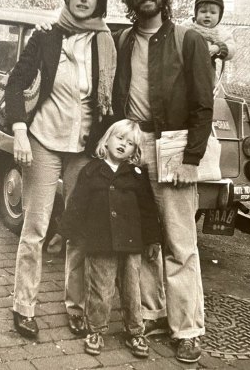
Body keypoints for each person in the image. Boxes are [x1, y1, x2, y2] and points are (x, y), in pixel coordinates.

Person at [5, 0, 117, 339]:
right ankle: (23, 307)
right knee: (35, 227)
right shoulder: (46, 38)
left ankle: (76, 308)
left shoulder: (105, 42)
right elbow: (16, 83)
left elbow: (111, 100)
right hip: (43, 140)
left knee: (79, 231)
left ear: (99, 0)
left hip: (83, 150)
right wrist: (20, 130)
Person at [112, 0, 215, 363]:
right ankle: (155, 314)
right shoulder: (123, 41)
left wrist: (192, 159)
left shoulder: (188, 41)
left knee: (180, 243)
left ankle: (188, 329)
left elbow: (203, 105)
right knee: (146, 239)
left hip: (173, 148)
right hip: (135, 145)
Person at [56, 119, 162, 358]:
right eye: (120, 138)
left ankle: (135, 331)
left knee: (132, 290)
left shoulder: (136, 175)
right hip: (100, 242)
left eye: (131, 143)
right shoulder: (91, 171)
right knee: (100, 289)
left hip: (131, 244)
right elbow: (77, 205)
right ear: (107, 139)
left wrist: (153, 239)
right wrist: (63, 234)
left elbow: (147, 209)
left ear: (136, 151)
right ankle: (95, 330)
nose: (124, 145)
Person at [182, 0, 235, 74]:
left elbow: (231, 49)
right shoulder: (186, 27)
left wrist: (218, 48)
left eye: (213, 12)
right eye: (203, 11)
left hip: (207, 73)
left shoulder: (220, 32)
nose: (207, 15)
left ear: (219, 16)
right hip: (184, 70)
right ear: (196, 13)